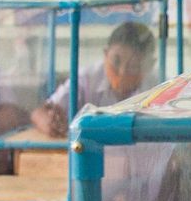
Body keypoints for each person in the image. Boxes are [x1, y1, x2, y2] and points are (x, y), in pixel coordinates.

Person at [30, 19, 158, 137]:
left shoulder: (159, 87)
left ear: (149, 65)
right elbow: (41, 111)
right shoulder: (87, 78)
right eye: (116, 61)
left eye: (133, 66)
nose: (122, 72)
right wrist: (48, 122)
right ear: (105, 54)